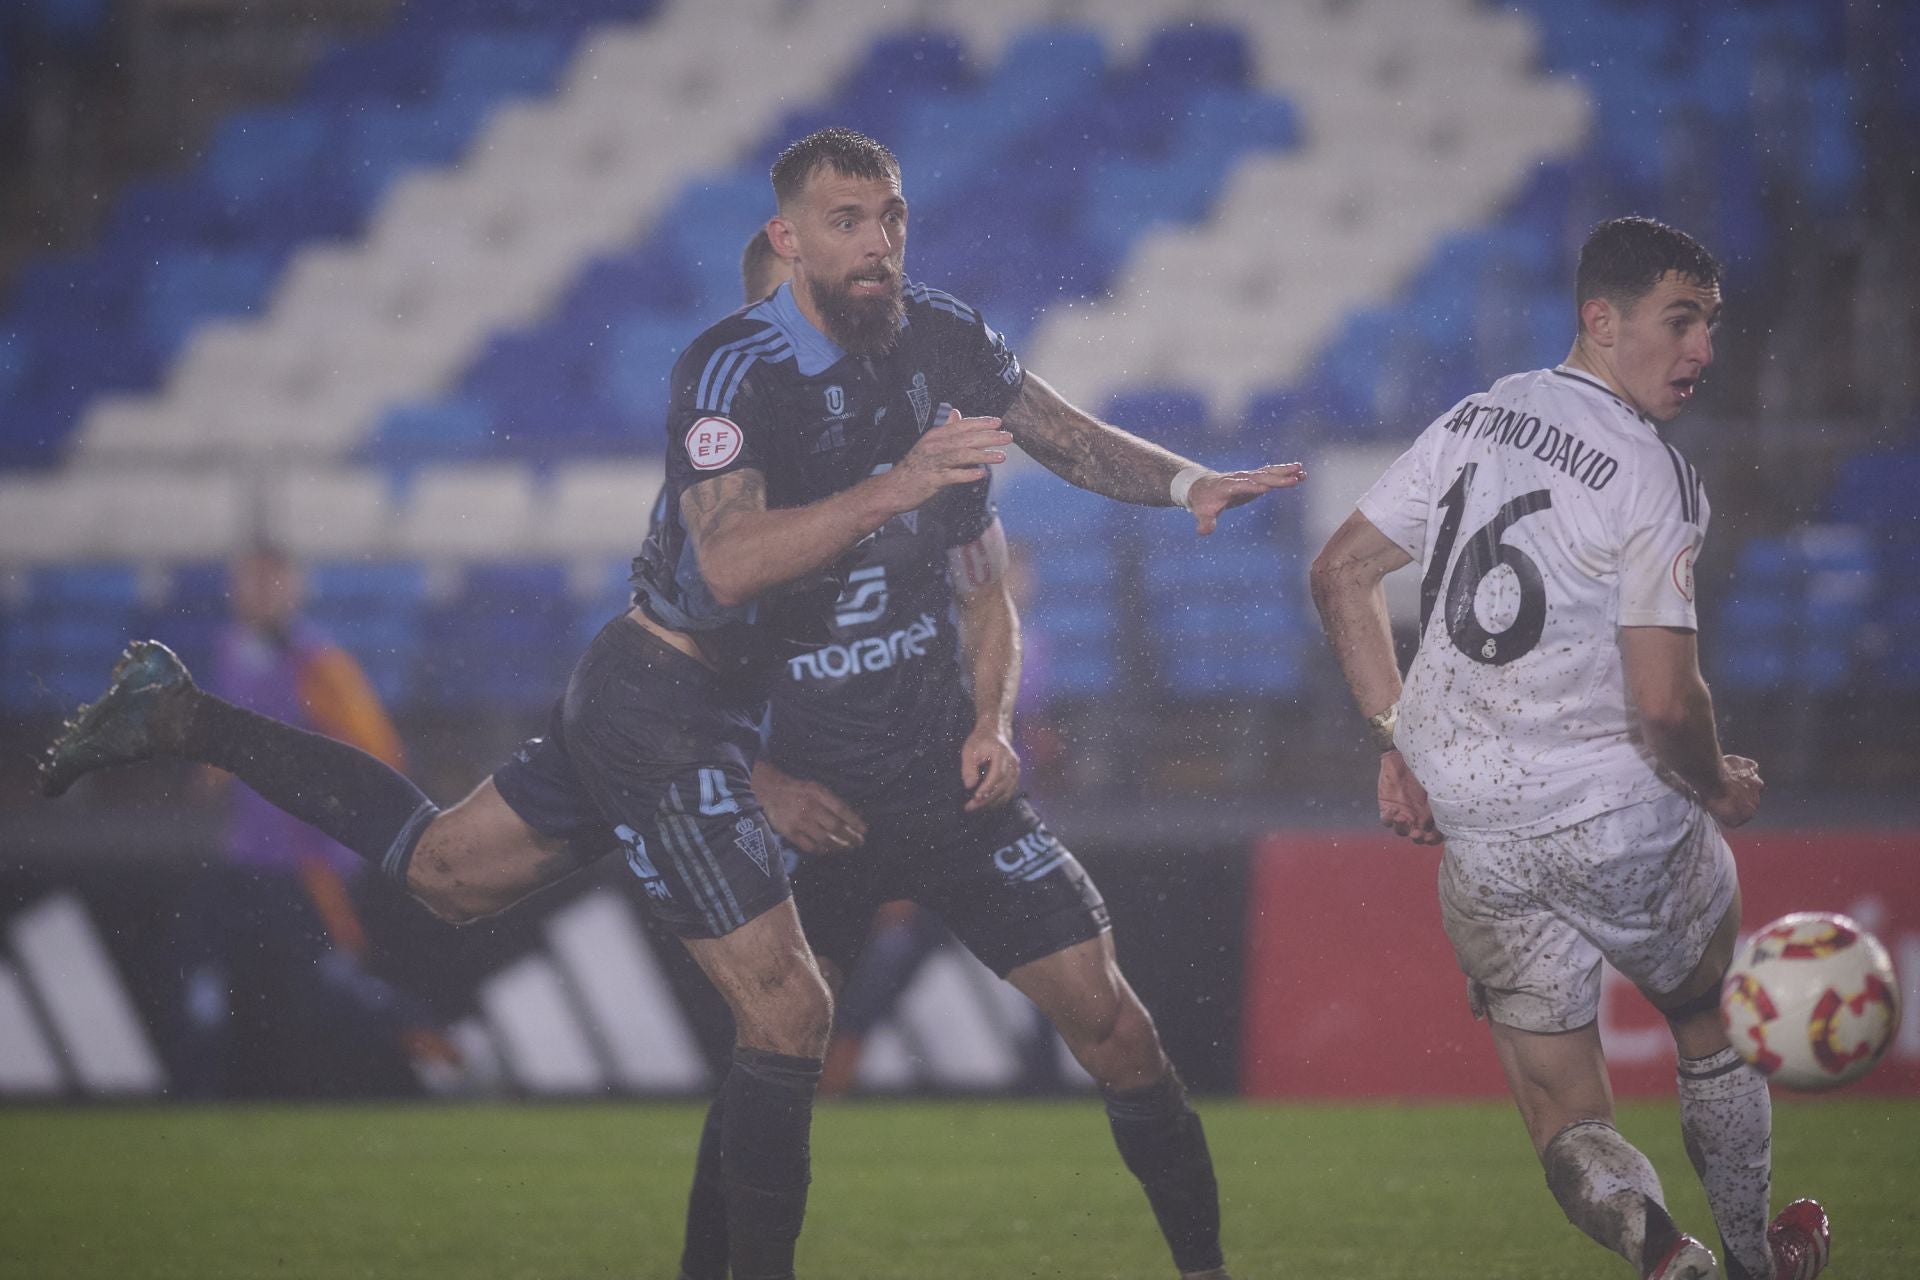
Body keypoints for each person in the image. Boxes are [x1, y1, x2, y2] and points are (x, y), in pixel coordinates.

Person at [41, 128, 1301, 1280]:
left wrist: (1183, 480)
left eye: (894, 217)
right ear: (789, 245)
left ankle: (185, 717)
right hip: (666, 702)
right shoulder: (729, 368)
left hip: (727, 716)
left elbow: (1057, 433)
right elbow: (730, 564)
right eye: (850, 221)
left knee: (443, 870)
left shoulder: (942, 340)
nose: (880, 242)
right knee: (790, 1008)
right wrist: (896, 481)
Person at [671, 235, 1232, 1280]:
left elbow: (986, 600)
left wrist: (993, 723)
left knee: (1116, 1024)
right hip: (817, 815)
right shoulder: (717, 515)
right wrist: (767, 782)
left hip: (947, 790)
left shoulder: (928, 450)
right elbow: (660, 686)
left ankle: (1205, 1269)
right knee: (770, 1055)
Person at [1308, 216, 1828, 1280]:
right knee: (1707, 1015)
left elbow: (1339, 573)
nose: (1704, 351)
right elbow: (1665, 705)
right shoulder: (1654, 476)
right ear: (1603, 319)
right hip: (1618, 815)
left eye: (1713, 327)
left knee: (1560, 1107)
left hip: (1481, 828)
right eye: (1681, 322)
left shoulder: (1482, 410)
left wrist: (1397, 740)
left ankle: (1658, 1247)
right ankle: (1751, 1256)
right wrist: (1717, 781)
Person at [173, 545, 457, 1096]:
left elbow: (379, 754)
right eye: (248, 583)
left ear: (294, 589)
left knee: (329, 983)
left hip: (310, 863)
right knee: (210, 966)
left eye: (268, 583)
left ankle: (440, 1051)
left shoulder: (319, 664)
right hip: (248, 855)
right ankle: (208, 1091)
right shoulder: (232, 649)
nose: (256, 595)